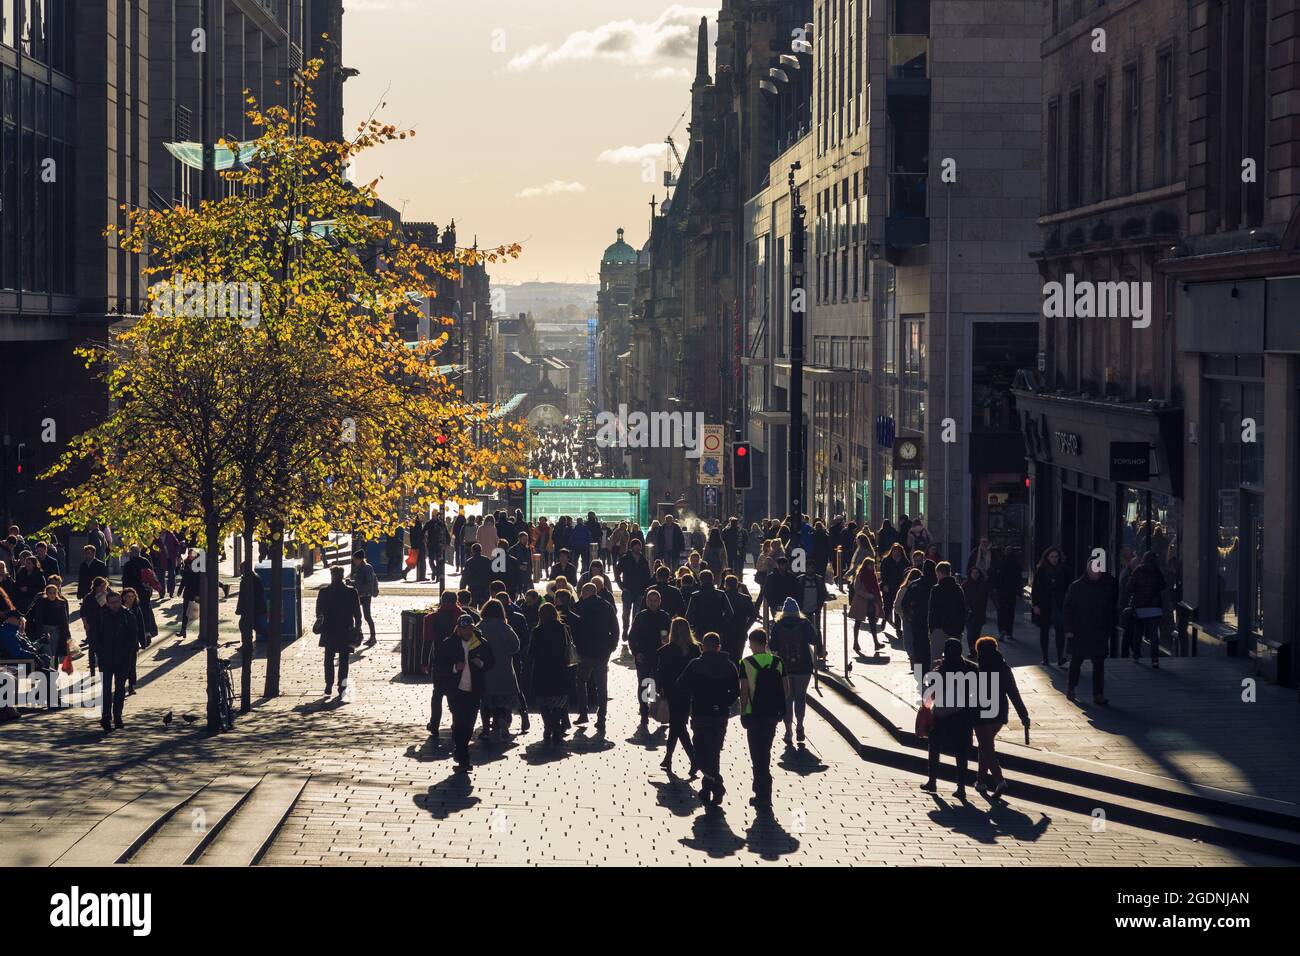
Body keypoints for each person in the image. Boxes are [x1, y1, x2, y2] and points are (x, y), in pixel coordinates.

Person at [677, 631, 739, 808]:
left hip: (700, 711)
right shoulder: (729, 666)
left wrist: (691, 697)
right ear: (719, 646)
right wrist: (724, 702)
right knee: (714, 751)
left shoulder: (696, 664)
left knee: (701, 750)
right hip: (720, 714)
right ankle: (707, 787)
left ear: (703, 646)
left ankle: (715, 784)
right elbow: (735, 691)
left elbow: (682, 684)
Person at [919, 638, 979, 800]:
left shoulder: (941, 670)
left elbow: (930, 691)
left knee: (934, 747)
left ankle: (932, 781)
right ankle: (961, 788)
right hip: (964, 718)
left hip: (943, 718)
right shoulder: (972, 669)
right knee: (961, 753)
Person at [436, 613, 496, 771]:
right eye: (465, 629)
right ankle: (463, 755)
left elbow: (491, 661)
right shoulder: (449, 644)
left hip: (474, 689)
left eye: (470, 628)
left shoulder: (481, 643)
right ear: (458, 630)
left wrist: (481, 663)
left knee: (469, 724)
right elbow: (440, 666)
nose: (468, 632)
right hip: (456, 690)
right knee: (458, 722)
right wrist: (455, 667)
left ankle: (460, 750)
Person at [738, 628, 789, 810]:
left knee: (756, 754)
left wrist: (743, 712)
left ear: (752, 643)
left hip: (753, 713)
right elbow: (786, 690)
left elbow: (744, 691)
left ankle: (761, 792)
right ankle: (764, 792)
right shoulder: (778, 662)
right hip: (771, 714)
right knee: (765, 751)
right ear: (766, 642)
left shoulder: (746, 663)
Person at [973, 636, 1029, 798]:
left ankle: (999, 780)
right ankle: (981, 781)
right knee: (985, 745)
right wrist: (1023, 715)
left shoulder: (978, 669)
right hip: (999, 712)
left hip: (981, 712)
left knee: (986, 747)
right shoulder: (1004, 668)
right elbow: (1013, 692)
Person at [1064, 559, 1118, 705]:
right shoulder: (1077, 587)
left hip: (1099, 631)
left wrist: (1109, 628)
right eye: (1095, 570)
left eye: (1099, 570)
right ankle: (1071, 688)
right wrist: (1069, 629)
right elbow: (1068, 609)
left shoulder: (1105, 587)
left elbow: (1110, 609)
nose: (1097, 572)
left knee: (1099, 664)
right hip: (1080, 631)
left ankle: (1098, 694)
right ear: (1088, 570)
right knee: (1076, 661)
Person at [769, 597, 820, 745]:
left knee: (787, 699)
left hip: (785, 666)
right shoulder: (804, 624)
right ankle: (800, 725)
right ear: (798, 611)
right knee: (800, 697)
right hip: (803, 665)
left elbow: (773, 646)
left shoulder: (778, 625)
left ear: (783, 612)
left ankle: (788, 731)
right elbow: (815, 641)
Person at [654, 616, 700, 774]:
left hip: (671, 691)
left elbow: (660, 672)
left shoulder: (667, 650)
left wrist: (658, 689)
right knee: (677, 725)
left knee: (678, 726)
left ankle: (694, 759)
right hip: (688, 691)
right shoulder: (695, 650)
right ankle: (668, 758)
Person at [573, 582, 618, 734]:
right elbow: (615, 627)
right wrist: (612, 646)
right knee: (602, 687)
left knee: (581, 681)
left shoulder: (580, 606)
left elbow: (576, 629)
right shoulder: (606, 606)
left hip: (584, 652)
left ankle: (583, 713)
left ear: (586, 592)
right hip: (602, 652)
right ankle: (601, 718)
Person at [529, 602, 575, 748]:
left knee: (543, 701)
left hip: (542, 670)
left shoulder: (537, 631)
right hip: (559, 669)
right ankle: (555, 727)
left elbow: (532, 652)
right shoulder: (562, 628)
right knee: (558, 701)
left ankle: (547, 726)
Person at [314, 566, 362, 700]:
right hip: (345, 630)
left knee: (328, 659)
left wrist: (321, 623)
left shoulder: (324, 592)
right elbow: (357, 613)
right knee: (344, 660)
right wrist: (358, 628)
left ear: (331, 576)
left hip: (329, 630)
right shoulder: (351, 592)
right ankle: (342, 686)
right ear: (342, 576)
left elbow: (318, 612)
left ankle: (328, 684)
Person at [628, 588, 671, 734]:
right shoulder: (641, 616)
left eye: (655, 600)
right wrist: (636, 653)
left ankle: (658, 710)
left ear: (659, 602)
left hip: (661, 656)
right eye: (650, 600)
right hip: (644, 655)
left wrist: (667, 641)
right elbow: (632, 637)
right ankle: (645, 712)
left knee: (659, 685)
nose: (653, 603)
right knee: (646, 684)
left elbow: (672, 635)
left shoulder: (665, 616)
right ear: (646, 601)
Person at [478, 598, 521, 742]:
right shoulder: (505, 627)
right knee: (504, 701)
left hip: (485, 670)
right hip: (504, 670)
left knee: (485, 701)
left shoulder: (479, 627)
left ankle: (485, 728)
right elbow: (516, 646)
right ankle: (503, 720)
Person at [97, 591, 139, 732]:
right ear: (107, 603)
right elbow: (95, 638)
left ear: (120, 601)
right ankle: (106, 716)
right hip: (106, 660)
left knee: (120, 689)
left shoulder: (128, 616)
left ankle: (118, 716)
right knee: (106, 690)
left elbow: (133, 638)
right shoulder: (102, 616)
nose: (114, 605)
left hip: (122, 660)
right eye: (111, 602)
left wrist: (128, 654)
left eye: (116, 602)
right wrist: (99, 654)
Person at [1126, 551, 1167, 667]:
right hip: (1155, 608)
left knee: (1138, 632)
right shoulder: (1157, 572)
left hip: (1140, 607)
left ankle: (1136, 655)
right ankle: (1154, 659)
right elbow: (1163, 585)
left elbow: (1129, 587)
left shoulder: (1138, 571)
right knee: (1154, 634)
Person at [1031, 547, 1070, 666]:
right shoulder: (1041, 570)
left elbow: (1068, 588)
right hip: (1045, 604)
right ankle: (1045, 658)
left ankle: (1060, 657)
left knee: (1060, 632)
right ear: (1047, 557)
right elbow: (1035, 589)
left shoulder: (1064, 570)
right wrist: (1035, 605)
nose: (1054, 559)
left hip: (1059, 604)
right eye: (1052, 557)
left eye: (1056, 557)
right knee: (1044, 632)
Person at [685, 568, 733, 649]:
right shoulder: (720, 594)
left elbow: (689, 615)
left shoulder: (695, 595)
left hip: (700, 629)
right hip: (717, 629)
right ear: (712, 580)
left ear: (700, 580)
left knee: (701, 651)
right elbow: (730, 613)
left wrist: (694, 626)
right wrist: (721, 622)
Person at [615, 537, 651, 641]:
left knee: (636, 613)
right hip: (628, 590)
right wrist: (621, 586)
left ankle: (633, 632)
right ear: (632, 547)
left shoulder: (643, 559)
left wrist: (645, 588)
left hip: (639, 591)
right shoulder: (625, 558)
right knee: (626, 612)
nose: (638, 547)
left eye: (639, 545)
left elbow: (647, 575)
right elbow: (617, 572)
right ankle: (625, 629)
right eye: (636, 545)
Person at [849, 555, 884, 655]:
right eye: (870, 565)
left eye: (873, 565)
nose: (872, 567)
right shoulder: (860, 575)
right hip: (861, 601)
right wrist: (868, 595)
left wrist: (877, 599)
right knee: (858, 622)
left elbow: (876, 587)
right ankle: (855, 642)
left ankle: (876, 642)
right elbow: (857, 589)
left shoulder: (872, 575)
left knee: (872, 622)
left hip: (871, 601)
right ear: (865, 565)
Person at [720, 574, 756, 663]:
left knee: (724, 659)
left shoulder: (721, 597)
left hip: (725, 632)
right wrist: (746, 628)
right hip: (740, 631)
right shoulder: (745, 598)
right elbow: (753, 616)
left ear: (726, 585)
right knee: (737, 657)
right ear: (737, 585)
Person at [347, 549, 380, 646]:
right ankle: (358, 634)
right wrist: (352, 583)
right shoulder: (359, 568)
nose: (354, 561)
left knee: (367, 616)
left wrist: (356, 586)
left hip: (365, 595)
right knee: (356, 615)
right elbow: (359, 582)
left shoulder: (367, 568)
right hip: (359, 594)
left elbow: (369, 584)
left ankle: (373, 637)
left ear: (360, 559)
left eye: (355, 559)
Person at [992, 547, 1023, 643]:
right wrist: (1019, 592)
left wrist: (995, 588)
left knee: (1001, 611)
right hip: (1011, 592)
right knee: (1010, 612)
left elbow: (996, 577)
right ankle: (1009, 632)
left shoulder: (1000, 562)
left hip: (1001, 591)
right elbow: (1018, 579)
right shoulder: (1016, 564)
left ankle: (1001, 629)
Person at [80, 576, 109, 677]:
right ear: (96, 586)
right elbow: (83, 612)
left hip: (104, 625)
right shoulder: (89, 597)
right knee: (92, 647)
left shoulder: (107, 596)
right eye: (101, 586)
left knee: (102, 647)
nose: (103, 588)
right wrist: (85, 623)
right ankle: (92, 668)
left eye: (105, 586)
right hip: (92, 624)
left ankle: (102, 666)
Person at [962, 564, 991, 654]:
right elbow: (963, 598)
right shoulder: (965, 585)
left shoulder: (983, 584)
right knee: (970, 632)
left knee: (977, 632)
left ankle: (975, 649)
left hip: (979, 612)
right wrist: (967, 607)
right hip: (969, 613)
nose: (975, 574)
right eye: (973, 573)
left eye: (976, 573)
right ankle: (972, 649)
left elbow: (986, 597)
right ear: (970, 574)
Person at [879, 542, 908, 631]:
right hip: (888, 586)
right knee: (887, 606)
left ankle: (898, 628)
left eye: (898, 551)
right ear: (892, 551)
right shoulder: (886, 560)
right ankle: (884, 619)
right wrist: (884, 584)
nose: (896, 553)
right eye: (895, 550)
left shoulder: (905, 561)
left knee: (897, 606)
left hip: (899, 586)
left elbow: (907, 573)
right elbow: (883, 574)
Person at [177, 551, 202, 639]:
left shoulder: (199, 566)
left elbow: (200, 581)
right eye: (190, 554)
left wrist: (198, 594)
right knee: (185, 612)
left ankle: (202, 632)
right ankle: (183, 630)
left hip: (196, 592)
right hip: (188, 591)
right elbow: (184, 579)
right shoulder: (186, 564)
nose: (191, 556)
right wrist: (180, 590)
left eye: (193, 554)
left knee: (198, 613)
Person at [460, 542, 494, 607]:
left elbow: (465, 577)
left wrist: (462, 589)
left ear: (472, 551)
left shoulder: (469, 562)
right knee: (483, 608)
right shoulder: (487, 560)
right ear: (481, 550)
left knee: (473, 608)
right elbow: (491, 574)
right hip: (485, 588)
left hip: (473, 589)